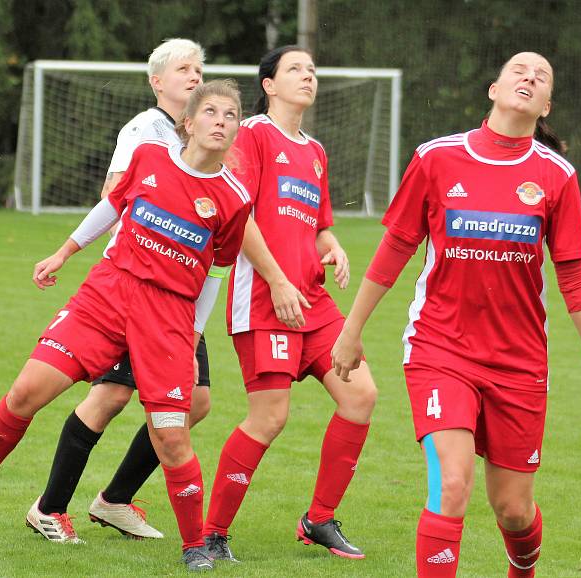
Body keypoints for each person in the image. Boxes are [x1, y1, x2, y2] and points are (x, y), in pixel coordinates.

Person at [330, 52, 581, 578]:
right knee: (453, 484)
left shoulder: (556, 176)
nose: (530, 77)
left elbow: (575, 277)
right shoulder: (436, 158)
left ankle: (522, 569)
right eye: (519, 70)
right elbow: (395, 248)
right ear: (493, 89)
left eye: (541, 77)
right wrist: (351, 331)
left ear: (546, 105)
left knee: (513, 510)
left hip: (519, 360)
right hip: (440, 348)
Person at [0, 79, 251, 573]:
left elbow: (217, 271)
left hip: (169, 316)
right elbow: (112, 206)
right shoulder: (151, 157)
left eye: (231, 114)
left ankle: (194, 547)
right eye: (211, 111)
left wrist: (193, 338)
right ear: (188, 123)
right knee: (27, 391)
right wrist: (65, 251)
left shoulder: (233, 199)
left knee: (172, 433)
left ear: (236, 129)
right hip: (109, 293)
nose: (221, 120)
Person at [25, 38, 212, 544]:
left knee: (193, 402)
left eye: (200, 68)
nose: (195, 76)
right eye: (183, 69)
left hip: (180, 288)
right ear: (157, 81)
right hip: (136, 284)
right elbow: (115, 194)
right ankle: (49, 508)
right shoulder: (144, 130)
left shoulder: (201, 134)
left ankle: (113, 501)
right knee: (110, 395)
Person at [200, 45, 378, 564]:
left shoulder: (316, 152)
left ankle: (318, 519)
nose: (308, 76)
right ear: (269, 85)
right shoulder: (252, 134)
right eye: (295, 69)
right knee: (269, 418)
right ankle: (212, 535)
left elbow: (318, 224)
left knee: (361, 395)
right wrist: (277, 281)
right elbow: (240, 215)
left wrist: (334, 248)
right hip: (262, 298)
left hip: (313, 300)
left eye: (313, 70)